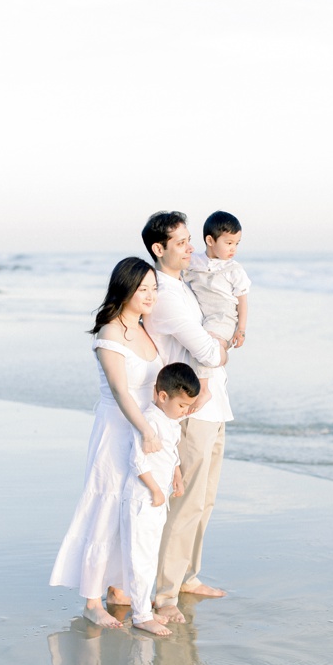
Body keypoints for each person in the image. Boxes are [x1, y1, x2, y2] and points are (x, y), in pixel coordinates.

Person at [51, 257, 164, 628]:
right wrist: (145, 431)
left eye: (153, 288)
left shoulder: (147, 329)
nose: (150, 295)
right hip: (117, 429)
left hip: (147, 429)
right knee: (105, 505)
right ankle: (91, 600)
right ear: (125, 288)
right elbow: (119, 390)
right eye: (143, 288)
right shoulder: (109, 333)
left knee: (131, 508)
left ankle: (119, 587)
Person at [141, 211, 231, 624]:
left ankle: (188, 577)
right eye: (181, 242)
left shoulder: (186, 285)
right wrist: (219, 350)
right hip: (190, 408)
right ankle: (164, 594)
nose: (190, 247)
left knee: (205, 501)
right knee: (185, 504)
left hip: (213, 407)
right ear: (159, 250)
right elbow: (211, 352)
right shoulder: (166, 294)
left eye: (190, 239)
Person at [120, 362, 199, 636]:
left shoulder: (170, 420)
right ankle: (141, 615)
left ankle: (144, 606)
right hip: (143, 499)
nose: (185, 412)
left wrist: (176, 474)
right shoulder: (150, 420)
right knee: (141, 557)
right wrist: (155, 489)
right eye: (182, 406)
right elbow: (137, 461)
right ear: (162, 396)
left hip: (158, 499)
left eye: (189, 407)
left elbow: (170, 453)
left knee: (150, 555)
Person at [184, 210, 251, 402]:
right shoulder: (195, 261)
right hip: (205, 316)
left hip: (224, 317)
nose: (233, 249)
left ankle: (204, 389)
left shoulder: (234, 270)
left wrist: (241, 330)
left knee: (207, 344)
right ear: (210, 240)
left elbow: (243, 301)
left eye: (236, 244)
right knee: (196, 345)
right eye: (228, 243)